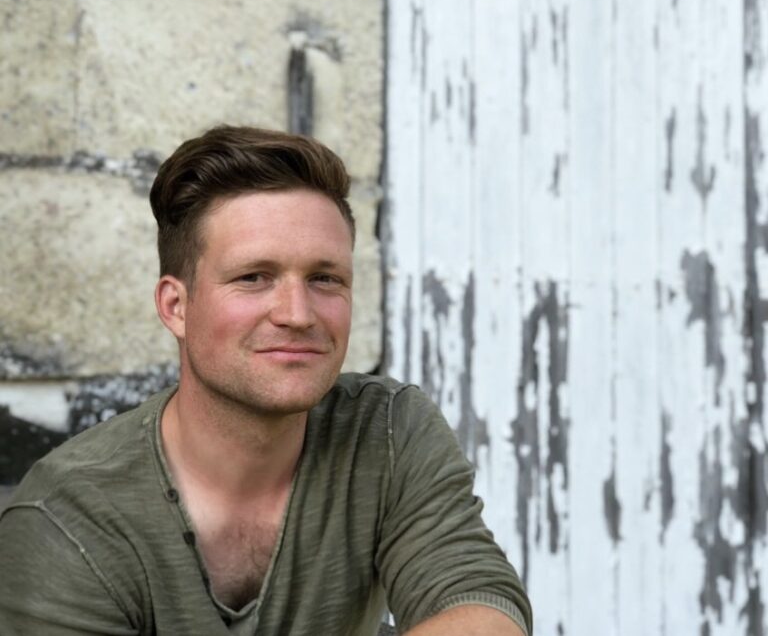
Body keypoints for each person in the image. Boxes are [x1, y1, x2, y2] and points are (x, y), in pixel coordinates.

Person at [0, 126, 532, 635]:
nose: (298, 313)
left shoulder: (388, 431)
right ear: (175, 306)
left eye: (325, 278)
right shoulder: (67, 518)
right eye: (254, 278)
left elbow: (479, 606)